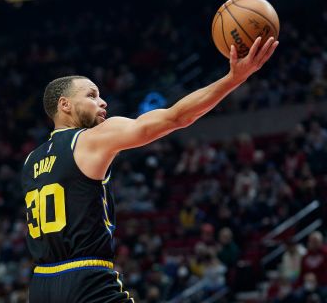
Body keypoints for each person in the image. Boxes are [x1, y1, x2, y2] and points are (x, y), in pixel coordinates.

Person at [22, 37, 279, 303]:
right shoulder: (91, 138)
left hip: (41, 285)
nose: (103, 102)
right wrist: (234, 79)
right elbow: (176, 117)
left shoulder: (31, 161)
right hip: (86, 281)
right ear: (65, 105)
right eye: (91, 95)